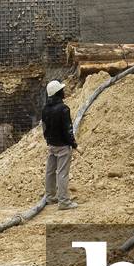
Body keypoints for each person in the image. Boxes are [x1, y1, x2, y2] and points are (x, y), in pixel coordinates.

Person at [42, 80, 78, 210]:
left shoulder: (45, 109)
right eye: (61, 90)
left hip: (52, 145)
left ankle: (50, 197)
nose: (64, 92)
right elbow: (67, 129)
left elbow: (44, 128)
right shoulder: (63, 109)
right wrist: (73, 144)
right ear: (58, 93)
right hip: (63, 147)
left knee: (50, 172)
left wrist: (49, 141)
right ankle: (64, 201)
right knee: (62, 173)